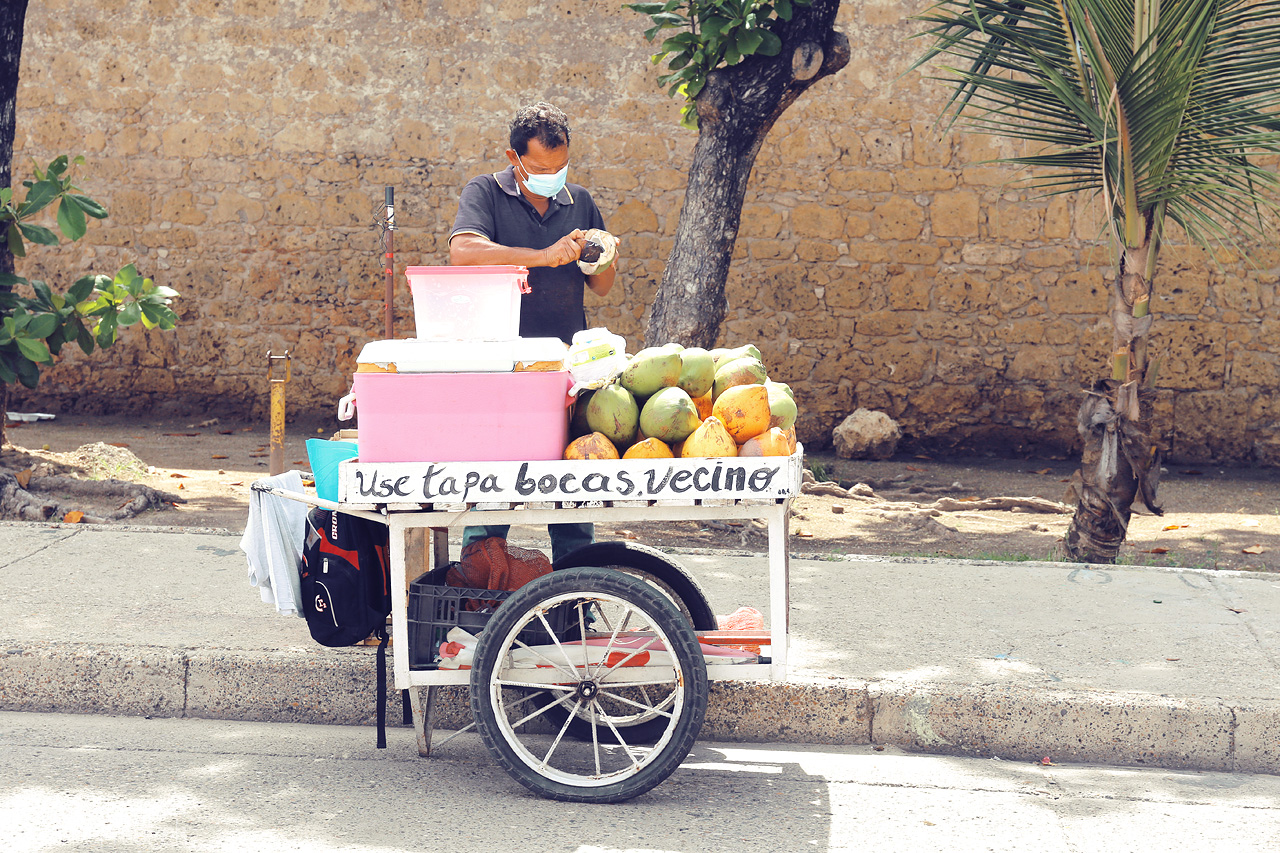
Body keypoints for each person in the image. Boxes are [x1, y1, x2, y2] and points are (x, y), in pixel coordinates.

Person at [449, 101, 618, 563]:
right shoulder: (484, 192)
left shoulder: (579, 201)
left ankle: (577, 588)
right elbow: (463, 253)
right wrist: (545, 255)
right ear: (514, 158)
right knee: (494, 486)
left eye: (561, 166)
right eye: (542, 168)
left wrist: (604, 257)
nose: (554, 175)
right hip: (502, 368)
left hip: (568, 368)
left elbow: (601, 287)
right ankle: (479, 586)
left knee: (573, 487)